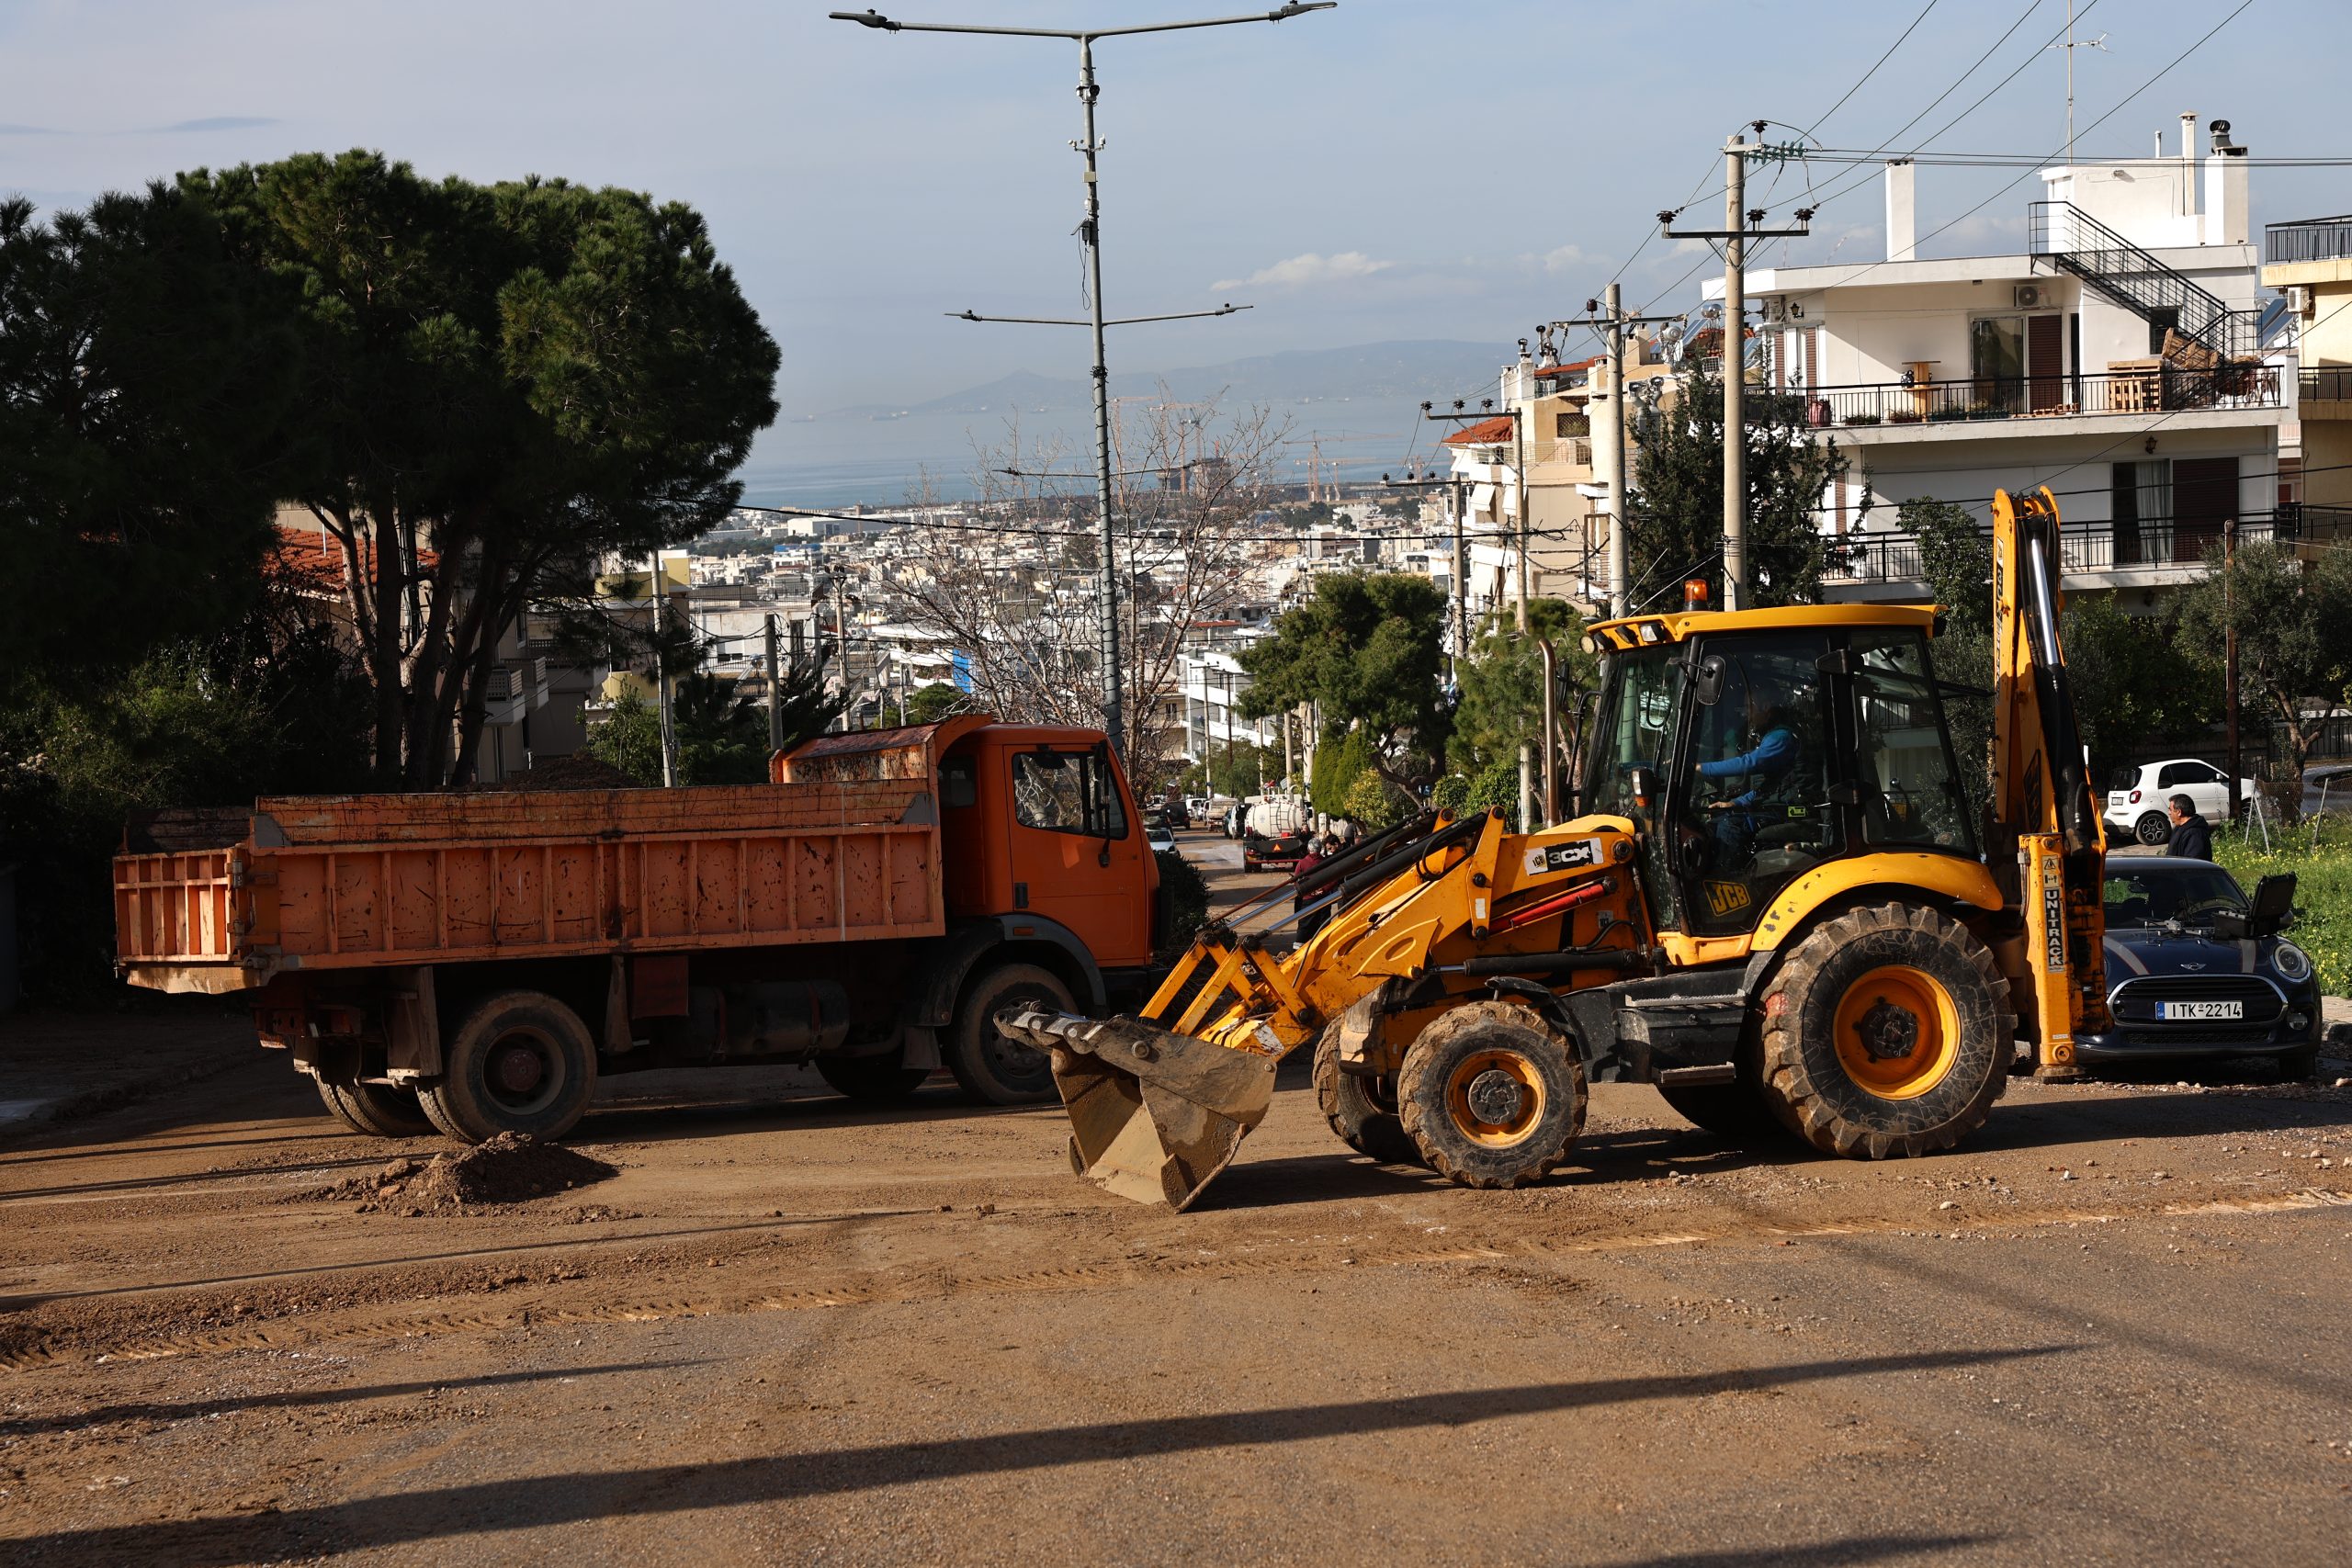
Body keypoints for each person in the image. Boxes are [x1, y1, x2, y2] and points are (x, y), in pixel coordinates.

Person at [1694, 699, 1804, 867]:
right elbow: (1768, 789)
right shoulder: (1773, 737)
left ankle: (1728, 877)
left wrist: (1701, 768)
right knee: (1714, 823)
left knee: (1729, 826)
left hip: (1789, 809)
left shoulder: (1782, 737)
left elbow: (1748, 763)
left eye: (1748, 706)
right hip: (1774, 805)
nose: (1745, 712)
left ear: (1766, 706)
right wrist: (1733, 803)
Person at [2165, 793, 2213, 861]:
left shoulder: (2194, 833)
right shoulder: (2179, 828)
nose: (2169, 812)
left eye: (2170, 809)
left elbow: (2192, 863)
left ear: (2179, 812)